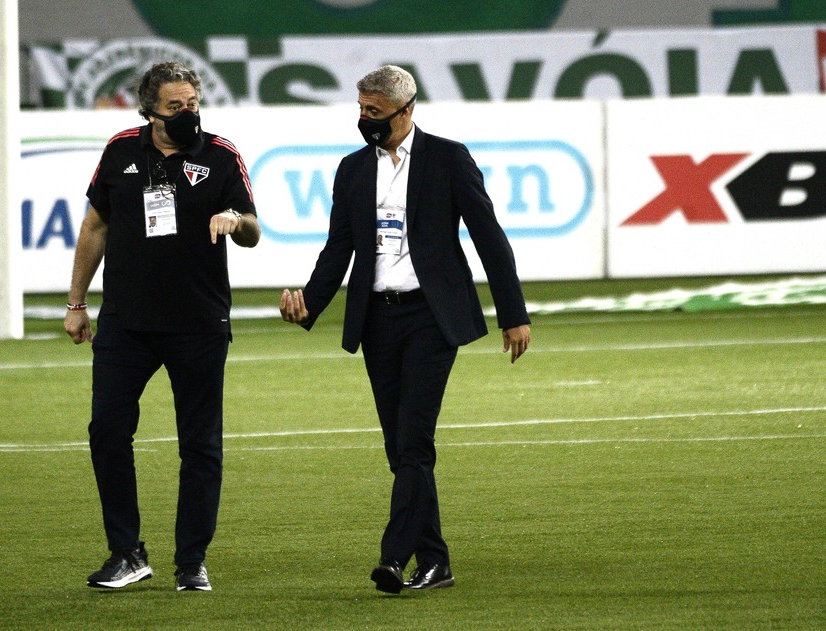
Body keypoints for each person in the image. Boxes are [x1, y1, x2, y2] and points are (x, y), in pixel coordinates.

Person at [279, 65, 530, 594]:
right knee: (401, 448)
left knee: (414, 440)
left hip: (431, 318)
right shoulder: (351, 170)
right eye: (361, 110)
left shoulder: (448, 158)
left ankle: (393, 557)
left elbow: (489, 236)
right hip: (377, 319)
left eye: (374, 112)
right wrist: (310, 305)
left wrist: (514, 314)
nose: (364, 120)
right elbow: (338, 248)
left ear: (406, 108)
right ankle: (436, 561)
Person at [65, 61, 260, 592]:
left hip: (198, 322)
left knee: (200, 445)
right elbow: (96, 225)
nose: (186, 114)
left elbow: (253, 230)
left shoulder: (222, 156)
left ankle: (191, 560)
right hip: (126, 322)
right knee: (106, 430)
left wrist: (234, 220)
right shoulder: (120, 150)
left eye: (193, 104)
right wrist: (76, 302)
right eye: (175, 107)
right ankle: (127, 553)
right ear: (149, 109)